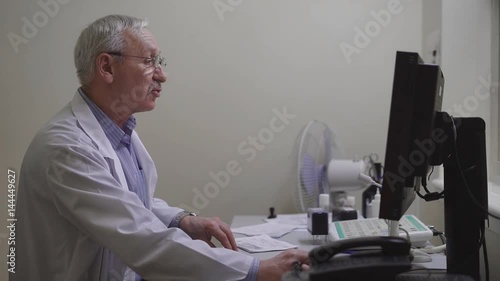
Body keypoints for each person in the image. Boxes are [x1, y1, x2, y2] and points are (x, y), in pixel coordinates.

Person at [11, 14, 310, 281]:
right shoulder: (67, 147)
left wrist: (182, 220)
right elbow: (142, 238)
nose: (161, 75)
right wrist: (256, 271)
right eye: (149, 61)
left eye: (159, 62)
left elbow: (124, 200)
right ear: (106, 67)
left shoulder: (116, 129)